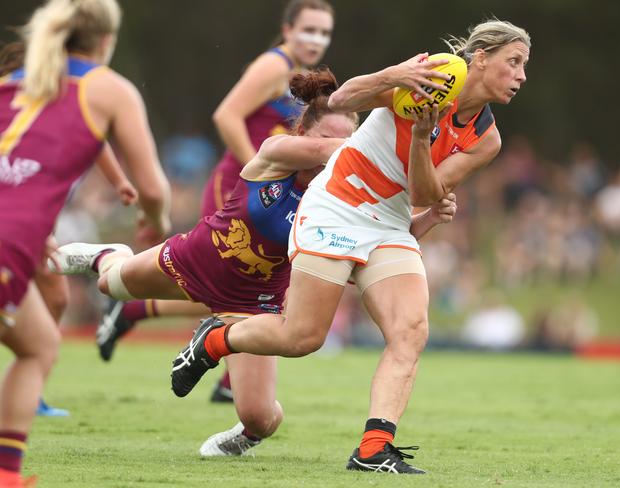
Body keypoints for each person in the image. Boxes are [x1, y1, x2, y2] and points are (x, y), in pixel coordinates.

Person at [166, 19, 530, 474]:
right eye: (513, 63)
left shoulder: (487, 139)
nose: (521, 76)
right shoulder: (431, 76)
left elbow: (423, 193)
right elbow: (340, 100)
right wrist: (394, 76)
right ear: (480, 58)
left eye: (523, 66)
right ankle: (215, 341)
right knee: (302, 338)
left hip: (391, 222)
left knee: (410, 331)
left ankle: (374, 448)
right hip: (338, 203)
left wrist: (420, 138)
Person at [50, 69, 457, 457]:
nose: (331, 152)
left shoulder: (345, 202)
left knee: (261, 420)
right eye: (327, 138)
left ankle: (240, 435)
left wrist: (429, 217)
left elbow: (372, 251)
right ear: (302, 132)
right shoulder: (276, 152)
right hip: (198, 258)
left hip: (253, 303)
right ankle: (107, 253)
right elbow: (330, 152)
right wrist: (382, 150)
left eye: (347, 138)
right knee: (111, 284)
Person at [97, 0, 336, 403]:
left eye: (325, 33)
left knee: (250, 285)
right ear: (287, 29)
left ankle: (219, 369)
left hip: (268, 193)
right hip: (242, 188)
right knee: (229, 280)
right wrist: (261, 178)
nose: (316, 40)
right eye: (309, 29)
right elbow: (227, 115)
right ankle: (218, 366)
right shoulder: (273, 66)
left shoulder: (300, 80)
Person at [0, 0, 171, 485]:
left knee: (38, 343)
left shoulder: (14, 82)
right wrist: (153, 221)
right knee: (36, 347)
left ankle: (7, 475)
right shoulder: (108, 89)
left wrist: (35, 228)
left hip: (13, 237)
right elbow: (154, 189)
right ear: (106, 41)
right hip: (7, 241)